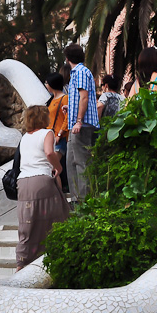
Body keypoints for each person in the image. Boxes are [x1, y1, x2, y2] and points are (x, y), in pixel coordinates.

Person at [15, 104, 69, 269]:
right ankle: (53, 258)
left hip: (23, 183)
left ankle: (22, 264)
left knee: (27, 223)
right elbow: (49, 153)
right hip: (41, 181)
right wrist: (58, 167)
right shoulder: (48, 133)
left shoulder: (25, 137)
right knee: (57, 219)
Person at [64, 43, 100, 201]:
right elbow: (81, 98)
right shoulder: (80, 72)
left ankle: (84, 203)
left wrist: (78, 121)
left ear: (67, 58)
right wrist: (70, 107)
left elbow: (84, 97)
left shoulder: (79, 72)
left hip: (81, 125)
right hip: (76, 124)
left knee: (80, 163)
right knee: (71, 162)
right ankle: (76, 199)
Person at [45, 72, 69, 192]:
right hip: (51, 138)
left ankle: (59, 198)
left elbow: (67, 117)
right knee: (53, 168)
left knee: (54, 167)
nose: (45, 84)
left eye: (47, 82)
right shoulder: (52, 99)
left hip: (59, 138)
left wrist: (60, 133)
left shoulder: (64, 98)